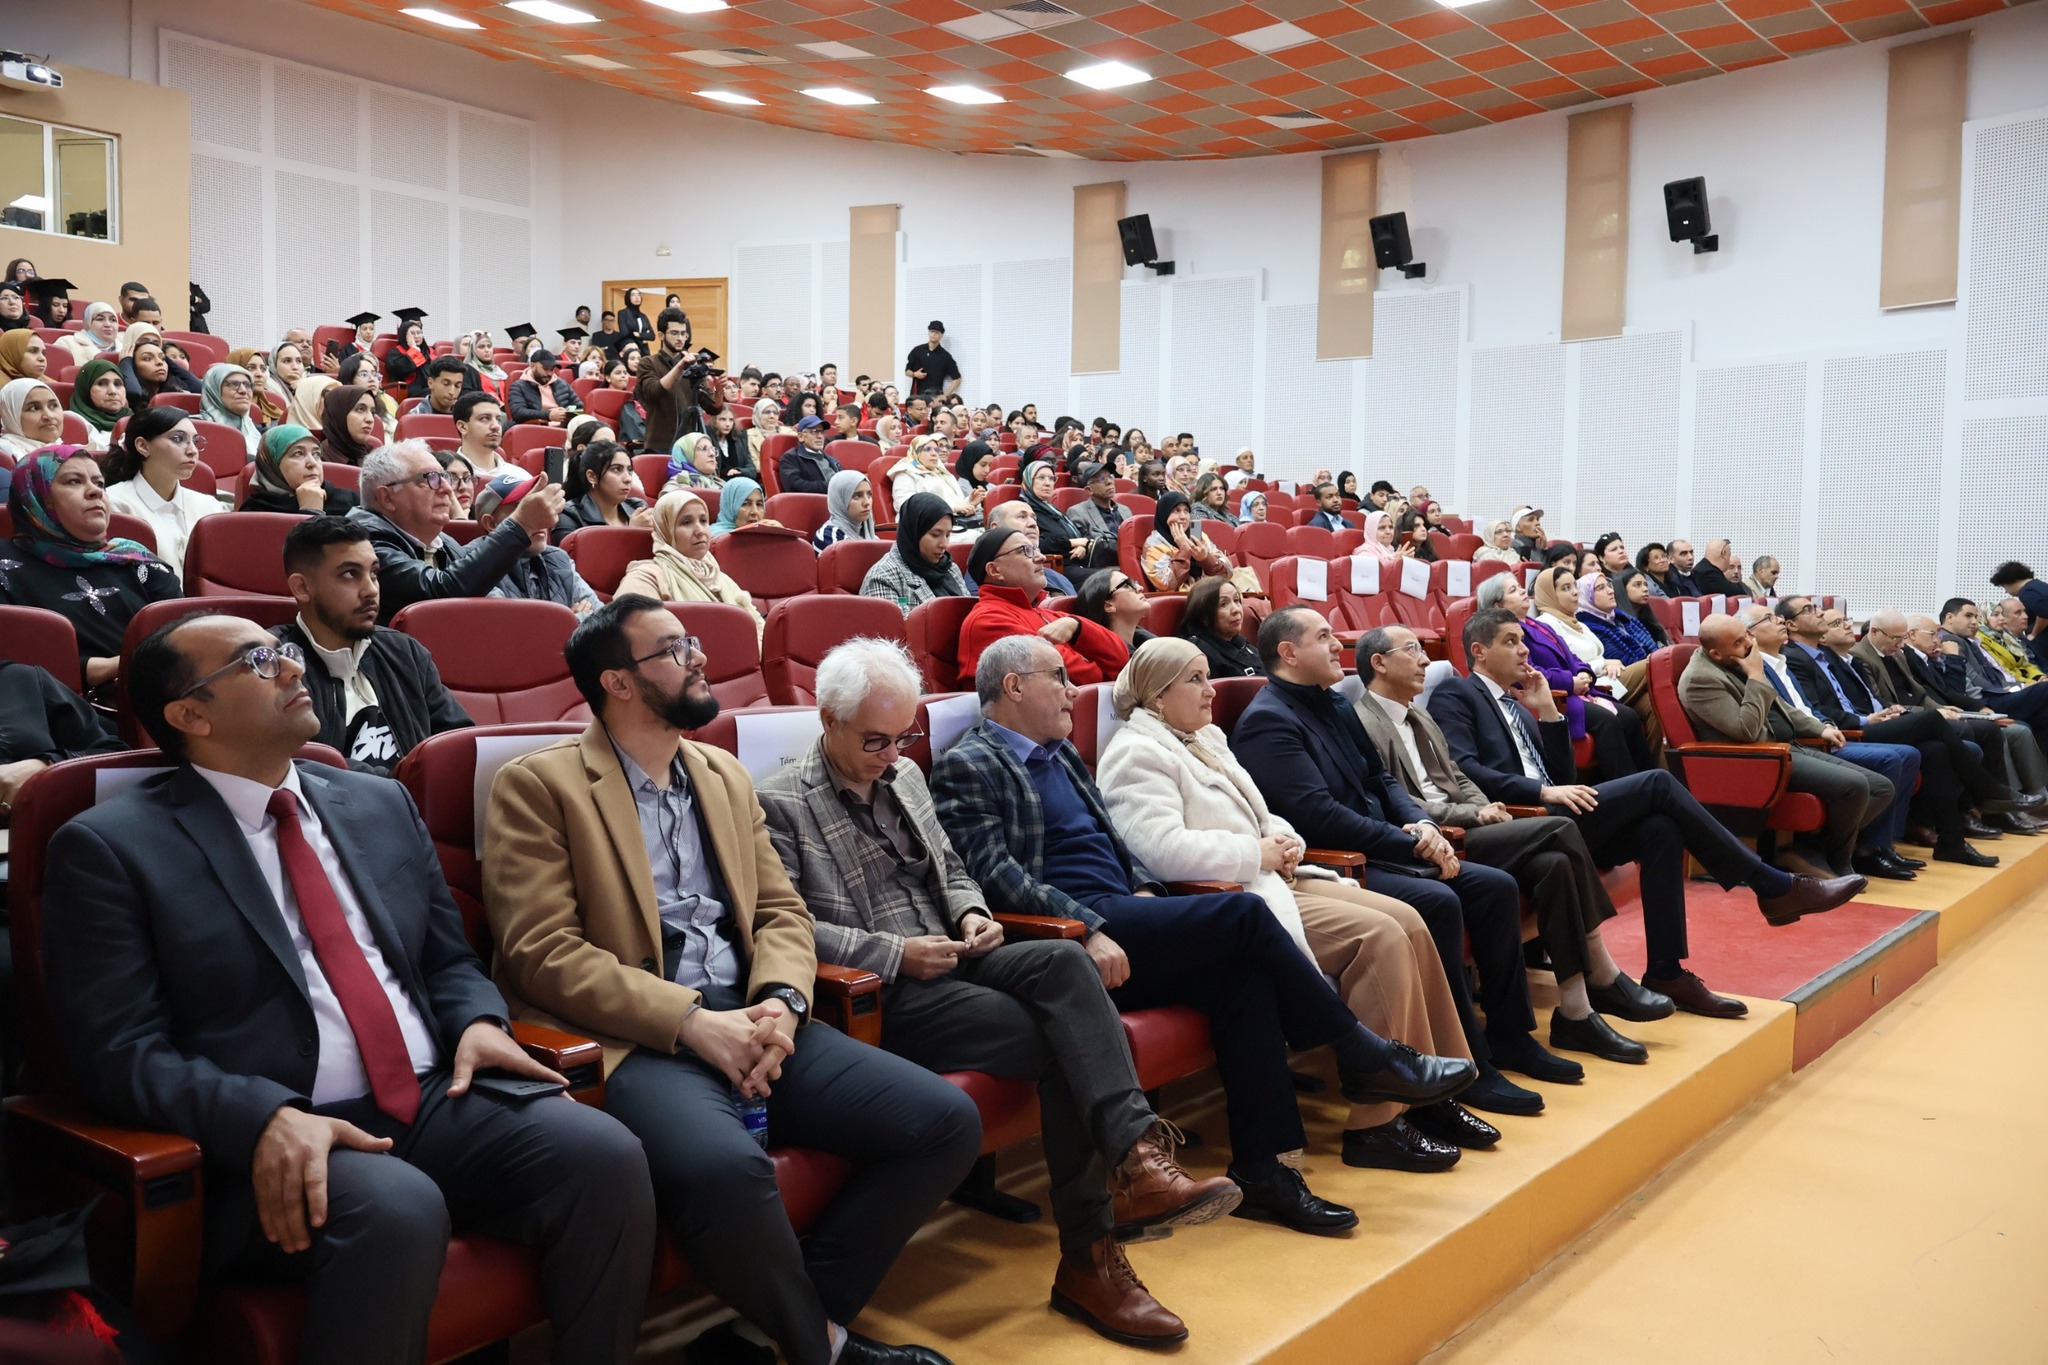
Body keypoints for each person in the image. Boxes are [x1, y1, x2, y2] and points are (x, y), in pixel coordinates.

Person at [46, 611, 656, 1365]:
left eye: (287, 652)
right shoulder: (109, 847)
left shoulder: (376, 801)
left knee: (603, 1153)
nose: (296, 667)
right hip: (278, 1130)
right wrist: (262, 1116)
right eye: (260, 661)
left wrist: (477, 1022)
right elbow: (120, 1051)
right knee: (396, 1209)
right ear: (190, 715)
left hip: (433, 1095)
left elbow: (447, 960)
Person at [483, 597, 977, 1365]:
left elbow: (782, 911)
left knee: (944, 1121)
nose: (700, 656)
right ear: (617, 680)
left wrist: (781, 1002)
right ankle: (821, 1348)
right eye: (675, 649)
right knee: (724, 1169)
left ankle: (767, 1328)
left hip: (754, 1015)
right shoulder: (539, 785)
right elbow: (540, 952)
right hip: (644, 1039)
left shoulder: (721, 773)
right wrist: (689, 1021)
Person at [760, 639, 1237, 1346]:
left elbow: (951, 868)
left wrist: (972, 912)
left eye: (902, 738)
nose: (891, 753)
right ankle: (1095, 1253)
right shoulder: (779, 801)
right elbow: (787, 925)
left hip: (955, 952)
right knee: (1068, 1036)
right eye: (874, 739)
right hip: (881, 991)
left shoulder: (905, 777)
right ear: (826, 717)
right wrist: (896, 952)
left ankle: (1135, 1157)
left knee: (1066, 964)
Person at [935, 633, 1474, 1231]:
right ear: (1014, 687)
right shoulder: (971, 761)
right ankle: (1359, 1051)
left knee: (1242, 980)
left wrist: (1143, 890)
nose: (1072, 692)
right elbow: (993, 874)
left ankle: (1265, 1171)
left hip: (1122, 911)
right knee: (1244, 914)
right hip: (1062, 934)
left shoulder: (1059, 752)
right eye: (1058, 678)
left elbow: (1119, 844)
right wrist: (1086, 926)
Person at [1100, 638, 1490, 1169]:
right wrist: (1254, 854)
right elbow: (1161, 852)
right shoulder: (1135, 752)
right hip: (1235, 893)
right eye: (1194, 679)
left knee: (1410, 918)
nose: (1211, 689)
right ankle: (1376, 1124)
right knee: (1379, 938)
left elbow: (1263, 813)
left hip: (1269, 876)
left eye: (1206, 675)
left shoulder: (1206, 736)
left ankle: (1436, 1093)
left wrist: (1284, 842)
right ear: (1157, 695)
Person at [1430, 612, 1862, 1013]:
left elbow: (1563, 776)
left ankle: (1666, 971)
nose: (1524, 649)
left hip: (1555, 812)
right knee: (1657, 782)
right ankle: (1771, 885)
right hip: (1520, 821)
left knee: (1661, 829)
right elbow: (1465, 768)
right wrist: (1542, 789)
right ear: (1479, 651)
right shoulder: (1458, 692)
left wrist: (1548, 714)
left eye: (1524, 640)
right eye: (1511, 641)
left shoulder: (1520, 705)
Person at [1228, 607, 1569, 1107]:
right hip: (1342, 862)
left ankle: (1510, 1037)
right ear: (1288, 653)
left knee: (1494, 888)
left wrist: (1424, 825)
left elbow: (1380, 781)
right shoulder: (1268, 721)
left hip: (1386, 844)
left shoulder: (1335, 704)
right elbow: (1319, 815)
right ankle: (1464, 1062)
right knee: (1438, 900)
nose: (1337, 646)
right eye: (1323, 637)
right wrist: (1410, 841)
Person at [1357, 624, 1680, 1057]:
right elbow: (1406, 801)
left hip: (1476, 822)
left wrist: (1486, 806)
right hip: (1446, 837)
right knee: (1562, 826)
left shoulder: (1419, 712)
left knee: (1555, 864)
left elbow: (1458, 777)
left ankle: (1576, 1011)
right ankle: (1602, 971)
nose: (1424, 660)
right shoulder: (1365, 722)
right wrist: (1474, 814)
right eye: (1412, 650)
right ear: (1379, 663)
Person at [1777, 599, 2010, 865]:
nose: (1820, 613)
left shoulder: (1832, 658)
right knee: (1933, 721)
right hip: (1851, 731)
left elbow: (1860, 700)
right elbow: (1822, 710)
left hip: (1869, 722)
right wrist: (1866, 719)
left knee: (1940, 750)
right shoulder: (1795, 658)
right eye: (1811, 612)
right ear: (1791, 624)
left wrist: (1889, 710)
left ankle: (1951, 842)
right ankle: (1987, 788)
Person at [1680, 614, 1900, 880]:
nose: (1750, 643)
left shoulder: (1738, 658)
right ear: (1715, 653)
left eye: (1748, 635)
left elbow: (1781, 708)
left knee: (1881, 787)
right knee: (1854, 785)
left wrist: (1820, 728)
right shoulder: (1701, 679)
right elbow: (1746, 731)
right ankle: (1840, 862)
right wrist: (1756, 676)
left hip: (1787, 747)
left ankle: (1809, 849)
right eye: (1740, 641)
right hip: (1759, 760)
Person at [271, 517, 470, 774]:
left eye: (373, 573)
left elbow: (461, 744)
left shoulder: (405, 652)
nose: (370, 590)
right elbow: (303, 769)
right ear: (302, 587)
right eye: (350, 574)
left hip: (420, 806)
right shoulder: (279, 668)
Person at [0, 448, 182, 687]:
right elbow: (12, 664)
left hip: (164, 695)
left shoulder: (136, 559)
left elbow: (184, 635)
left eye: (100, 483)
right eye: (74, 481)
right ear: (35, 494)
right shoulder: (5, 564)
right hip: (56, 709)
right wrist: (104, 668)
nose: (95, 491)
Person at [1853, 608, 2048, 816]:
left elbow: (1921, 693)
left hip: (1917, 715)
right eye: (1896, 638)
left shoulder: (1898, 653)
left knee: (1985, 730)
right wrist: (1936, 711)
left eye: (1902, 638)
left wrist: (1940, 709)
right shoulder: (1860, 656)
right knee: (1956, 735)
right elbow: (1881, 703)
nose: (1901, 644)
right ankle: (1979, 802)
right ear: (1874, 632)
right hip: (1894, 719)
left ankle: (1995, 806)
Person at [348, 440, 560, 624]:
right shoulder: (362, 542)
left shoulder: (442, 542)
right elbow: (441, 593)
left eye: (444, 477)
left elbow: (490, 597)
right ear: (387, 498)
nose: (447, 489)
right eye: (430, 478)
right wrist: (521, 523)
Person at [1476, 571, 1647, 780]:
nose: (1523, 591)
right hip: (1555, 697)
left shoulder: (1538, 624)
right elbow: (1527, 672)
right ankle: (1627, 787)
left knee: (1629, 716)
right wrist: (1570, 682)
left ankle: (1646, 779)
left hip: (1575, 691)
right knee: (1607, 720)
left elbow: (1573, 657)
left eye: (1520, 586)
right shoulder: (1506, 636)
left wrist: (1584, 673)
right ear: (1498, 606)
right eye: (1513, 590)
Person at [958, 526, 1128, 690]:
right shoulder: (987, 620)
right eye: (1025, 551)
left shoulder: (1053, 615)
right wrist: (1099, 668)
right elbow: (1080, 677)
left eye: (1036, 549)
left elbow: (1121, 658)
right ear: (995, 570)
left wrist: (1076, 626)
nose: (1041, 558)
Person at [617, 488, 765, 637]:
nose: (700, 530)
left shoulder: (720, 578)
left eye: (703, 521)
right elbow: (634, 638)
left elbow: (760, 632)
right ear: (665, 531)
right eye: (686, 522)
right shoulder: (647, 577)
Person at [102, 407, 221, 579]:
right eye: (178, 439)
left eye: (195, 441)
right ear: (143, 446)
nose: (192, 450)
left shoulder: (209, 506)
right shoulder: (115, 503)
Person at [469, 470, 601, 616]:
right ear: (491, 524)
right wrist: (570, 620)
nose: (541, 518)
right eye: (525, 510)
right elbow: (512, 631)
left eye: (540, 507)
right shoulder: (473, 566)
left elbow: (603, 622)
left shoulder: (558, 558)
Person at [1936, 597, 2048, 725]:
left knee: (2044, 715)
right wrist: (2008, 690)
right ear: (1949, 617)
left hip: (1998, 692)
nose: (1974, 622)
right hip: (1988, 699)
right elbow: (1971, 680)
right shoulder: (1949, 641)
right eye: (1968, 616)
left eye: (1976, 617)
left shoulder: (1965, 639)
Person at [861, 492, 972, 614]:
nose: (944, 544)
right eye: (935, 535)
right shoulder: (883, 577)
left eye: (948, 535)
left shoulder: (950, 568)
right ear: (914, 532)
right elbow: (893, 631)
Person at [243, 424, 359, 517]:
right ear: (271, 465)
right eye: (298, 454)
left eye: (316, 454)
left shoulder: (351, 502)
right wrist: (311, 512)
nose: (312, 463)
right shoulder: (255, 512)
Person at [555, 439, 652, 540]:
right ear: (592, 476)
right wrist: (632, 532)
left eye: (629, 470)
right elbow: (574, 555)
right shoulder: (569, 515)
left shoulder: (637, 508)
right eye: (616, 469)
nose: (628, 479)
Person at [638, 309, 705, 454]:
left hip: (688, 444)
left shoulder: (692, 365)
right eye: (674, 333)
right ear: (661, 335)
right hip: (660, 444)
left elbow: (712, 407)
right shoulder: (648, 362)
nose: (680, 338)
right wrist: (680, 366)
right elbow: (653, 392)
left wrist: (718, 388)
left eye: (683, 334)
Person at [1140, 491, 1233, 595]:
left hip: (1208, 594)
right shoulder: (1154, 544)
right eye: (1176, 511)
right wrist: (1184, 549)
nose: (1183, 517)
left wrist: (1206, 559)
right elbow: (1166, 586)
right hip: (1179, 601)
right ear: (1164, 513)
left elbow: (1227, 573)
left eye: (1186, 511)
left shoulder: (1196, 533)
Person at [1179, 575, 1262, 678]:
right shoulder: (1200, 653)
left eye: (1236, 600)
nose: (1236, 609)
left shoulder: (1240, 643)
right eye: (1224, 604)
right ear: (1204, 615)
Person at [891, 434, 978, 523]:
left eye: (936, 450)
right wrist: (952, 508)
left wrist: (970, 502)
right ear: (916, 452)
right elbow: (906, 506)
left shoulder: (943, 474)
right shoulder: (905, 474)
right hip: (922, 528)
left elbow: (955, 504)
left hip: (951, 523)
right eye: (927, 449)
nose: (934, 453)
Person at [1073, 568, 1152, 657]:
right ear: (1108, 606)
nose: (1140, 588)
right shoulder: (1106, 660)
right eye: (1126, 585)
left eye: (1134, 583)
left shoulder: (1151, 645)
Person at [1989, 561, 2048, 670]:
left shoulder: (2026, 592)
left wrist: (2034, 634)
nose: (2006, 591)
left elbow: (2044, 613)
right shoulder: (2040, 586)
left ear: (2008, 581)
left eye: (2004, 587)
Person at [66, 357, 129, 454]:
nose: (112, 391)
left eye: (118, 384)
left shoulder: (134, 420)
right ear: (86, 388)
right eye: (101, 384)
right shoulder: (71, 421)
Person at [202, 362, 264, 458]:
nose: (243, 390)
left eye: (247, 385)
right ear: (214, 390)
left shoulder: (261, 433)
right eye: (233, 384)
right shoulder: (196, 431)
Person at [1982, 596, 2046, 686]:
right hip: (2013, 686)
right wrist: (2033, 683)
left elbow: (2026, 664)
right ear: (1983, 617)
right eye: (2018, 613)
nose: (2026, 616)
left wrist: (2040, 677)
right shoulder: (1983, 641)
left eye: (2024, 611)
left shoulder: (2010, 638)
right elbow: (2003, 670)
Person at [507, 350, 579, 427]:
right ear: (532, 366)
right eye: (545, 369)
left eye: (551, 369)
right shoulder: (519, 386)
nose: (549, 373)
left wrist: (567, 413)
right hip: (537, 427)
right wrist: (548, 415)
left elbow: (580, 408)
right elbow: (518, 413)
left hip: (565, 426)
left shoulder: (562, 384)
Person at [0, 376, 63, 462]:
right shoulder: (7, 455)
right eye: (33, 408)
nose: (49, 416)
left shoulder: (71, 450)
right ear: (11, 416)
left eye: (53, 406)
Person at [813, 470, 877, 552]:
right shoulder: (829, 535)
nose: (867, 502)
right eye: (857, 496)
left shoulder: (872, 537)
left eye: (869, 494)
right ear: (840, 500)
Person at [451, 390, 508, 476]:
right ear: (462, 427)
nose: (496, 426)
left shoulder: (520, 476)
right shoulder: (445, 475)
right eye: (485, 418)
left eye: (498, 419)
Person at [779, 415, 841, 495]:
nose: (820, 436)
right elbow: (794, 485)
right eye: (814, 431)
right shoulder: (790, 458)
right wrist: (831, 486)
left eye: (822, 432)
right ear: (801, 436)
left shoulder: (832, 460)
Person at [904, 320, 960, 398]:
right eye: (932, 331)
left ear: (941, 335)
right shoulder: (917, 351)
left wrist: (945, 395)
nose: (934, 334)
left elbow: (957, 379)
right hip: (917, 396)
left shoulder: (945, 356)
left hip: (935, 397)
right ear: (929, 332)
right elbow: (907, 371)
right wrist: (914, 374)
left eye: (937, 332)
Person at [58, 301, 122, 366]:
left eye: (113, 320)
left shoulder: (125, 349)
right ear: (87, 323)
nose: (108, 324)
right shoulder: (67, 344)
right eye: (100, 319)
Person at [711, 474, 779, 533]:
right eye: (745, 504)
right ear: (729, 507)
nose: (755, 512)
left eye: (759, 504)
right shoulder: (712, 539)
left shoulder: (766, 535)